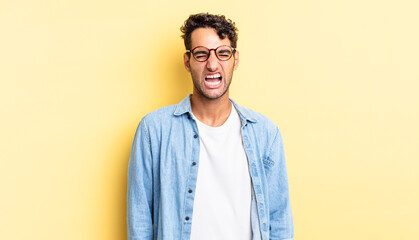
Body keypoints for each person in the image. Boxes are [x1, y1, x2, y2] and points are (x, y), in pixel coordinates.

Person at [127, 13, 294, 240]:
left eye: (223, 53)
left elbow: (279, 221)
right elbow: (140, 223)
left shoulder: (266, 134)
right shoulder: (153, 131)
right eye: (201, 54)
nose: (212, 64)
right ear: (187, 62)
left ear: (235, 60)